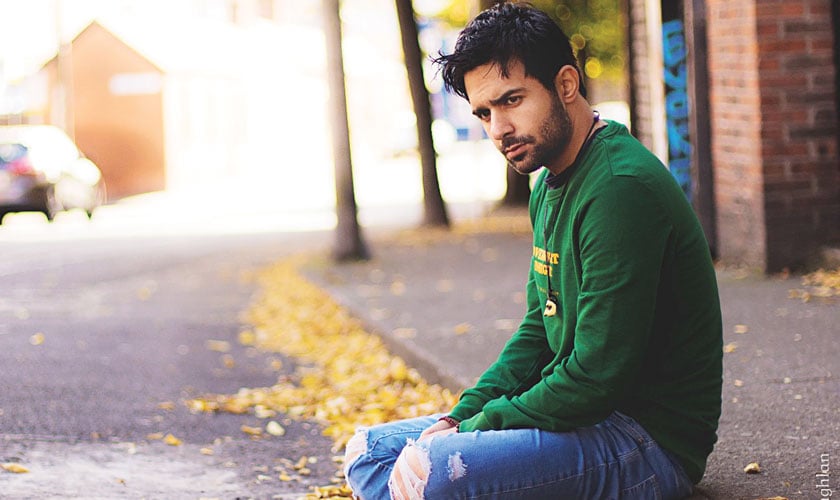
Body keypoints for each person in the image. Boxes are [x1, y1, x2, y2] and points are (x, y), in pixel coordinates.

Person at [342, 3, 722, 499]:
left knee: (435, 469)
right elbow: (538, 330)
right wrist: (460, 415)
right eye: (484, 113)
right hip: (584, 420)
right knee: (370, 453)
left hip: (645, 441)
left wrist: (474, 429)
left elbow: (594, 378)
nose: (498, 129)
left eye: (511, 101)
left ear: (565, 84)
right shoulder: (548, 184)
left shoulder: (619, 188)